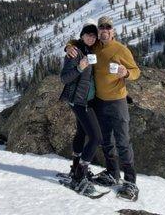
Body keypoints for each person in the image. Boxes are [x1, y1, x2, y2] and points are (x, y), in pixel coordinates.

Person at [66, 15, 140, 201]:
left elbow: (136, 71)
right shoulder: (95, 46)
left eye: (108, 27)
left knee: (122, 141)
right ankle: (112, 173)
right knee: (106, 140)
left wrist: (127, 73)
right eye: (101, 28)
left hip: (117, 101)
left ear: (113, 31)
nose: (104, 30)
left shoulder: (121, 49)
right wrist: (68, 46)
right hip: (99, 101)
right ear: (98, 30)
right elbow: (77, 41)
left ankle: (130, 182)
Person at [59, 20, 103, 196]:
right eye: (88, 34)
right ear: (82, 35)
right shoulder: (74, 52)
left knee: (81, 133)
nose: (91, 38)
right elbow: (64, 78)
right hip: (79, 101)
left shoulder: (90, 50)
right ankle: (80, 175)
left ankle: (75, 168)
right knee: (96, 137)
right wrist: (79, 67)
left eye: (93, 35)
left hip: (87, 100)